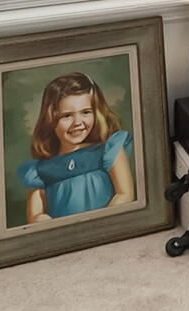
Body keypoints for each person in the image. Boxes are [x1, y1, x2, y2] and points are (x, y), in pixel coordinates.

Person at [17, 72, 135, 224]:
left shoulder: (108, 150)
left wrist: (100, 225)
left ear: (96, 112)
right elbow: (35, 215)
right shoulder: (41, 170)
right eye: (67, 116)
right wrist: (46, 222)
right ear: (50, 118)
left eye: (86, 112)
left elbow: (125, 194)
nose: (77, 122)